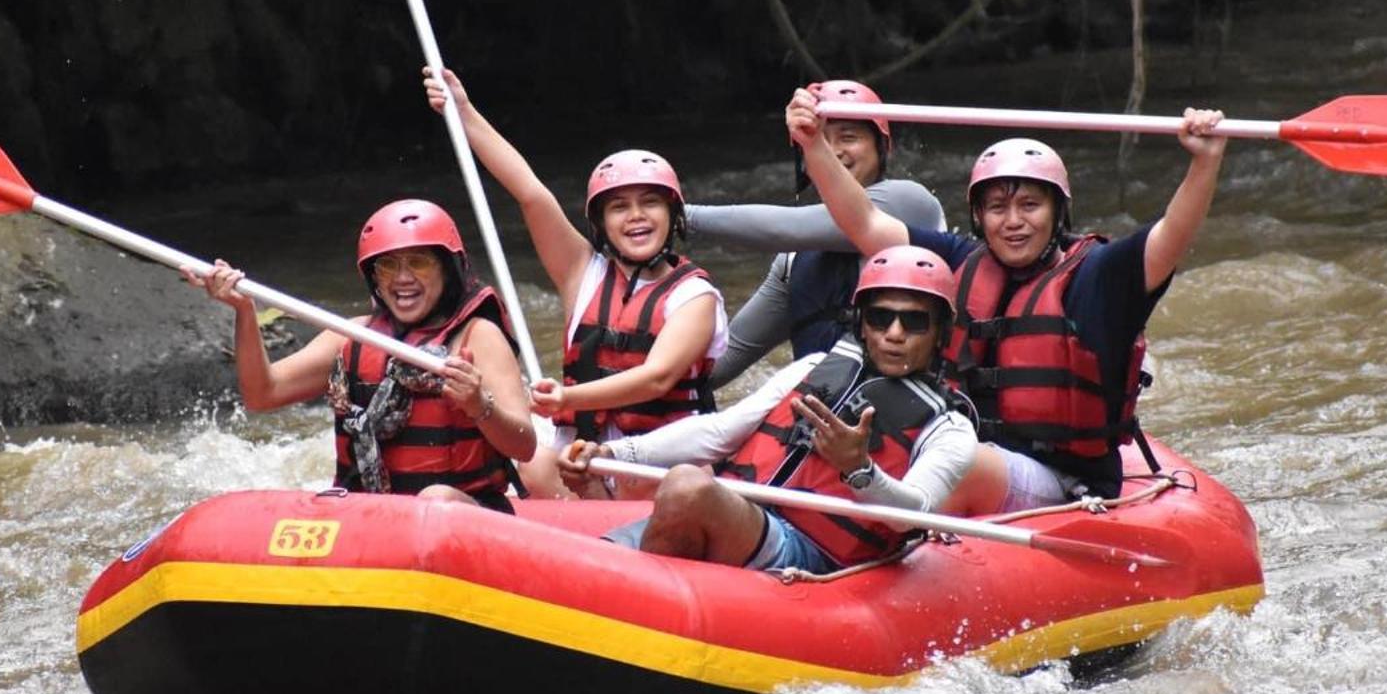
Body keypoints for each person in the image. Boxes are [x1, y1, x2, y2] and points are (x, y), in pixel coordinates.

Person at [786, 85, 1229, 510]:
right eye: (997, 208)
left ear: (1058, 212)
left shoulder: (1097, 276)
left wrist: (1204, 164)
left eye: (1030, 206)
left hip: (1062, 478)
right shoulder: (961, 259)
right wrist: (812, 146)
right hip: (960, 447)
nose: (1013, 221)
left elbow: (1171, 236)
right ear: (979, 216)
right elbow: (863, 223)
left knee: (964, 463)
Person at [557, 248, 985, 573]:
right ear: (862, 324)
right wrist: (615, 455)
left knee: (688, 486)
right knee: (594, 561)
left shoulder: (949, 426)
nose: (894, 334)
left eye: (913, 322)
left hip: (813, 555)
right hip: (746, 515)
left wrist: (859, 470)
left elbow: (915, 512)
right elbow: (720, 431)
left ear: (939, 332)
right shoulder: (816, 368)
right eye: (880, 318)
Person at [422, 67, 727, 499]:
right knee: (527, 463)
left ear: (673, 216)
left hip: (657, 461)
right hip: (578, 458)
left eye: (650, 203)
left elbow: (657, 378)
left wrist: (567, 399)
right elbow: (530, 193)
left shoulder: (695, 296)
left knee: (639, 482)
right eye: (619, 207)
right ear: (601, 223)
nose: (636, 216)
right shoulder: (582, 272)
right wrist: (465, 112)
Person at [182, 198, 536, 510]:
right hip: (374, 521)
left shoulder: (479, 337)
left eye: (419, 262)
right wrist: (244, 312)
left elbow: (525, 447)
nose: (403, 278)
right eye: (388, 266)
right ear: (374, 279)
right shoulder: (351, 336)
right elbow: (263, 394)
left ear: (447, 268)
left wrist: (479, 405)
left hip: (464, 515)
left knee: (435, 501)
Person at [680, 80, 949, 387]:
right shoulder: (794, 258)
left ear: (883, 147)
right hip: (824, 414)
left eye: (848, 137)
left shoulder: (910, 203)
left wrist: (680, 215)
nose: (832, 151)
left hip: (907, 407)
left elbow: (786, 227)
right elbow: (724, 360)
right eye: (818, 140)